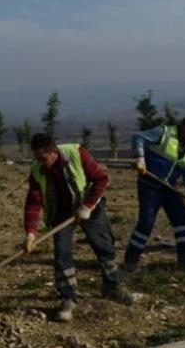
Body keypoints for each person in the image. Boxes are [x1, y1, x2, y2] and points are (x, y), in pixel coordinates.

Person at [23, 132, 132, 322]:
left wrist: (87, 206)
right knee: (62, 251)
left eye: (42, 158)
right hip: (61, 211)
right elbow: (33, 201)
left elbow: (102, 179)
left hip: (89, 202)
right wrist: (30, 234)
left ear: (53, 152)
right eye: (36, 158)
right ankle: (67, 297)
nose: (39, 162)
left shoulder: (77, 154)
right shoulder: (37, 169)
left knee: (103, 244)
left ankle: (113, 286)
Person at [124, 114, 185, 273]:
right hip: (150, 186)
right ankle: (131, 260)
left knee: (183, 221)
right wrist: (140, 159)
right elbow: (138, 137)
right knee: (146, 222)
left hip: (169, 188)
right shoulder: (164, 133)